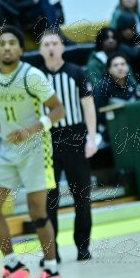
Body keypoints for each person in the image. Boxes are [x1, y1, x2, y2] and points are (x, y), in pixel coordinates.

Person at [0, 26, 66, 278]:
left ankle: (51, 271)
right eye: (2, 43)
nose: (7, 47)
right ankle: (12, 264)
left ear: (20, 49)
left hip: (36, 148)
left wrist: (31, 130)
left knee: (37, 212)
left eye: (12, 43)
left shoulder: (32, 76)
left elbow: (58, 109)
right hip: (8, 149)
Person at [37, 30, 97, 262]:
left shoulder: (77, 72)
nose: (51, 48)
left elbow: (89, 107)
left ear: (62, 47)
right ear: (40, 50)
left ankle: (83, 246)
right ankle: (51, 252)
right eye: (46, 44)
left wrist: (91, 138)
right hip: (46, 140)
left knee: (81, 195)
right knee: (48, 200)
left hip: (75, 137)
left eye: (55, 43)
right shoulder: (34, 77)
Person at [93, 53, 140, 134]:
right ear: (109, 70)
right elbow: (99, 113)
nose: (120, 68)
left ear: (127, 67)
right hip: (111, 127)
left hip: (131, 124)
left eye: (123, 64)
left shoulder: (131, 83)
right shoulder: (103, 87)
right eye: (115, 65)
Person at [113, 13, 140, 89]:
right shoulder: (117, 41)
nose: (128, 31)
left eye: (131, 28)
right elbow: (133, 53)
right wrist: (138, 49)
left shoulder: (138, 37)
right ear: (120, 30)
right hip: (129, 77)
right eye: (125, 29)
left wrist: (138, 53)